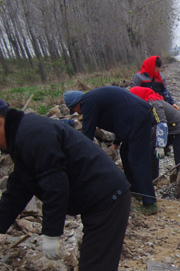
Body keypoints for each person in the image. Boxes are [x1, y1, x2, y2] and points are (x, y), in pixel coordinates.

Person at [0, 98, 132, 271]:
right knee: (102, 268)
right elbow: (19, 187)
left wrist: (52, 233)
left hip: (107, 199)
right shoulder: (23, 135)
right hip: (103, 198)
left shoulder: (31, 133)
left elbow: (55, 184)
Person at [63, 87, 159, 215]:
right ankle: (136, 191)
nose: (78, 113)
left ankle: (150, 203)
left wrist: (78, 157)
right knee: (125, 153)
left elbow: (87, 133)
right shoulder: (93, 99)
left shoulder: (88, 102)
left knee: (137, 160)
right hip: (136, 119)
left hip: (139, 119)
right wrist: (116, 143)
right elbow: (120, 115)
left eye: (74, 110)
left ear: (76, 104)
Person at [129, 86, 180, 177]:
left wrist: (160, 145)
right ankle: (154, 177)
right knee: (152, 151)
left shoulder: (153, 104)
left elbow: (162, 123)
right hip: (169, 129)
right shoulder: (144, 105)